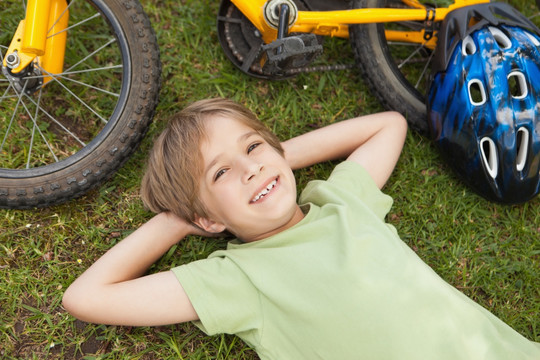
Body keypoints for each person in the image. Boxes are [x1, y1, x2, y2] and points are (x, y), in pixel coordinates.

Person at [63, 98, 540, 359]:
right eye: (220, 174)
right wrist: (180, 221)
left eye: (251, 148)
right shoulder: (237, 278)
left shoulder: (340, 202)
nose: (248, 169)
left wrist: (268, 159)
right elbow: (85, 296)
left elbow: (388, 125)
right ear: (207, 219)